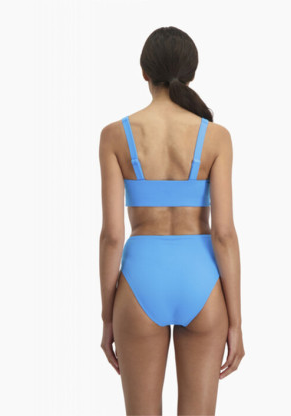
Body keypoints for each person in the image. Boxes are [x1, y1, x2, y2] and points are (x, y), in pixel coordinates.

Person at [99, 26, 245, 415]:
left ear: (144, 72)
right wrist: (235, 322)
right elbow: (224, 234)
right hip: (201, 282)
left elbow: (112, 236)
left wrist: (107, 317)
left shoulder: (114, 136)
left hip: (140, 282)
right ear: (191, 74)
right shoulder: (216, 137)